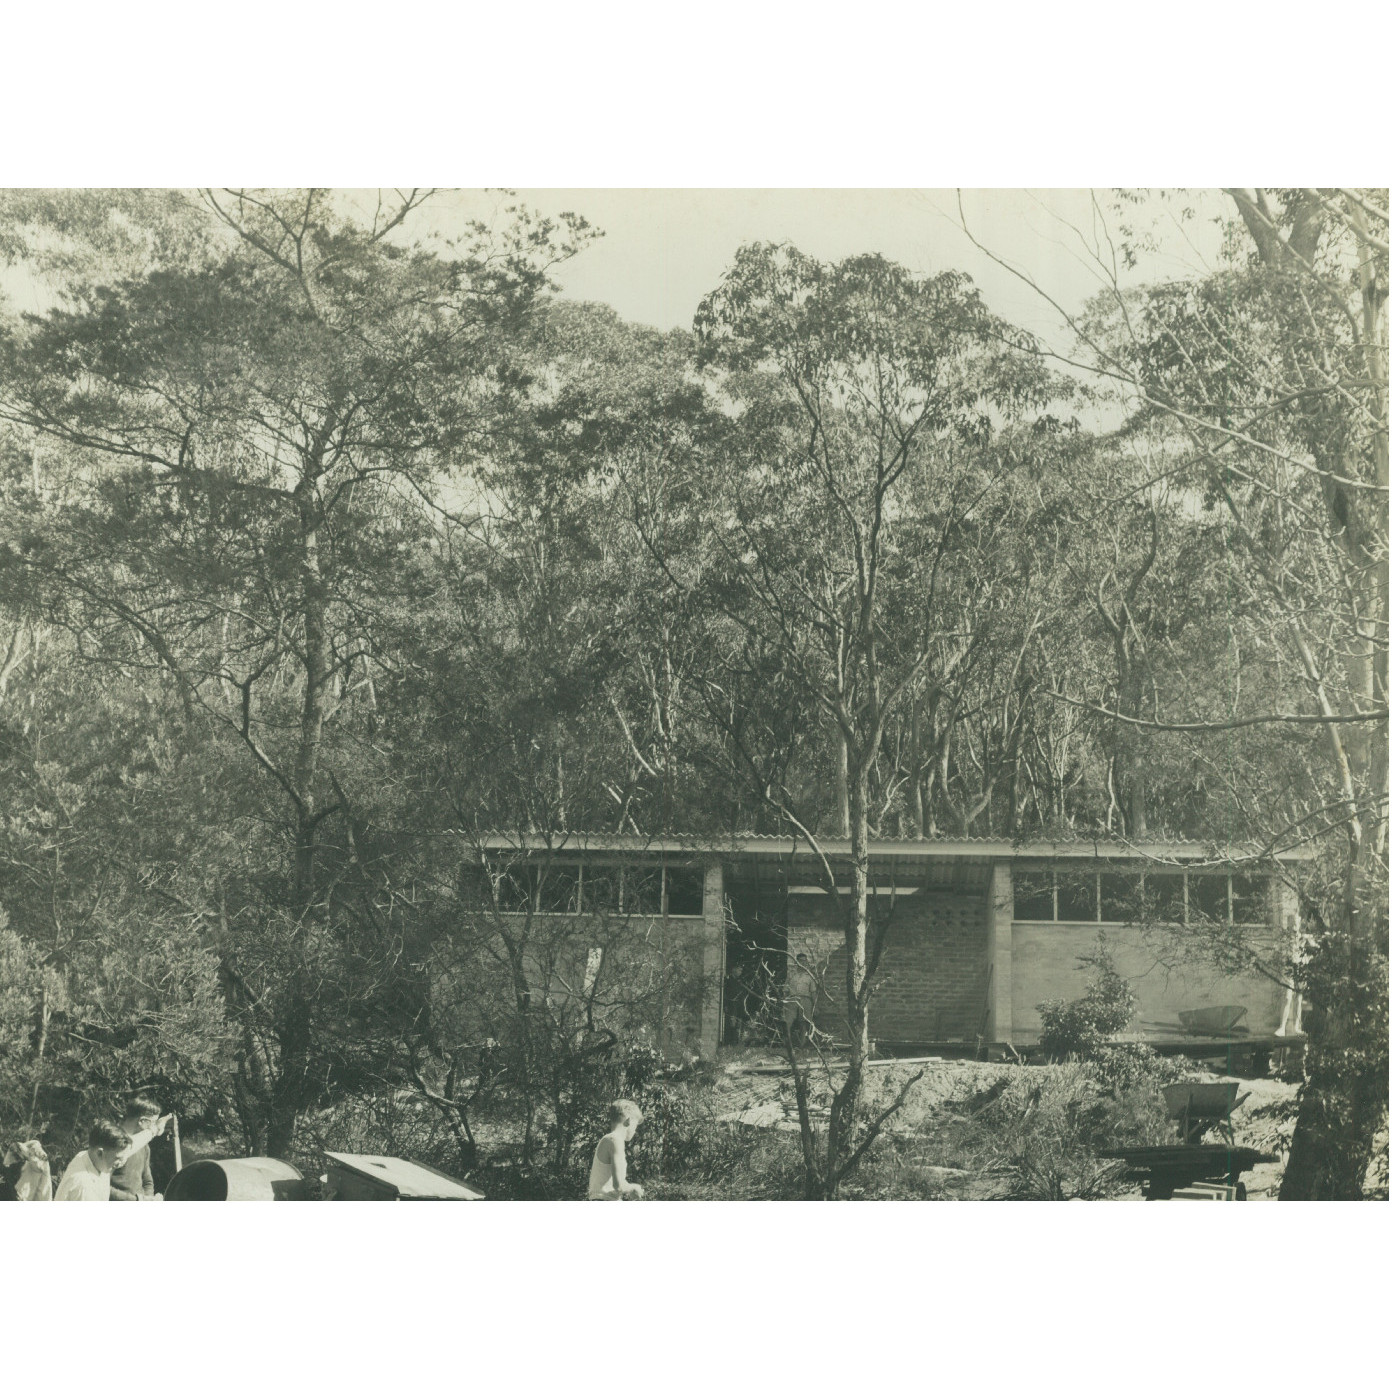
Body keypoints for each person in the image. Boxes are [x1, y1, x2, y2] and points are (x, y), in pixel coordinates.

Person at [110, 1097, 168, 1201]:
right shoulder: (110, 1143)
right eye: (154, 1123)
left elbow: (147, 1181)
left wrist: (149, 1199)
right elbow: (101, 1185)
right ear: (142, 1121)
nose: (154, 1128)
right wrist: (137, 1200)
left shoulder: (144, 1146)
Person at [55, 1122, 130, 1202]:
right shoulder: (83, 1185)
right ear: (100, 1153)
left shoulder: (91, 1157)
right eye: (117, 1158)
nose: (120, 1163)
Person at [587, 1099, 644, 1200]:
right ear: (629, 1121)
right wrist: (634, 1188)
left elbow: (617, 1180)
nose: (635, 1131)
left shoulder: (611, 1139)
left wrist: (628, 1189)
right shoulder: (615, 1140)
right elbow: (618, 1185)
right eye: (635, 1126)